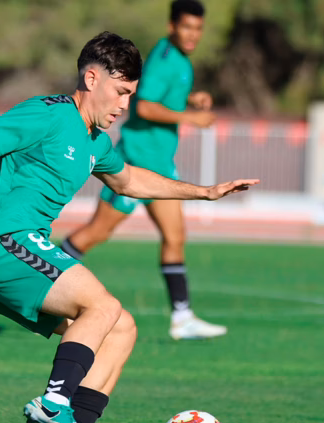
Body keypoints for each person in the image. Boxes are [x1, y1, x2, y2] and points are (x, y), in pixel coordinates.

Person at [0, 31, 257, 423]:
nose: (124, 105)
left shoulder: (96, 141)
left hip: (19, 251)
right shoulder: (48, 113)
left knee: (121, 328)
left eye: (131, 94)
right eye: (120, 92)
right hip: (0, 245)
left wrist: (205, 192)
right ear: (91, 77)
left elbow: (129, 181)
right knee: (101, 305)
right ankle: (53, 403)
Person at [61, 0, 223, 341]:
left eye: (198, 28)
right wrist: (191, 117)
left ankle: (182, 317)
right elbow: (145, 107)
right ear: (172, 27)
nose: (192, 35)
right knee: (96, 233)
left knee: (175, 237)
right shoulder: (164, 59)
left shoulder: (179, 61)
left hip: (160, 165)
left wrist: (190, 99)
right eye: (186, 27)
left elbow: (162, 97)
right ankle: (43, 287)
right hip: (134, 163)